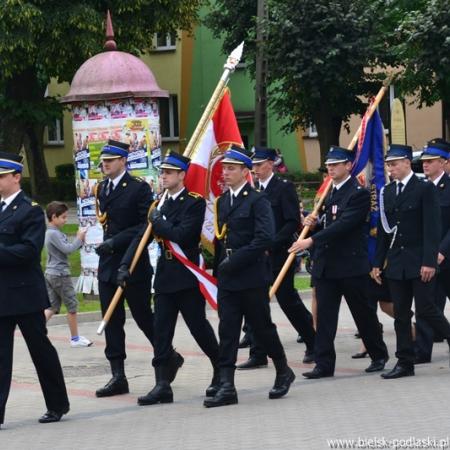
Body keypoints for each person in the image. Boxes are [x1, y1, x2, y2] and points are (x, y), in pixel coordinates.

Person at [118, 151, 220, 405]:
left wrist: (158, 220)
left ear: (181, 175)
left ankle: (221, 370)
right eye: (162, 172)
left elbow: (183, 235)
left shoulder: (193, 203)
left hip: (186, 276)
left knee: (198, 327)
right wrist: (125, 265)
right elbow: (142, 237)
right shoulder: (158, 204)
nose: (163, 177)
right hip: (165, 275)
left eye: (168, 173)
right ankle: (162, 384)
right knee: (161, 331)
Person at [204, 145, 295, 408]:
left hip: (251, 274)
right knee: (228, 330)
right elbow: (221, 239)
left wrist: (234, 261)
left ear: (246, 172)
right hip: (229, 276)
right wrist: (219, 266)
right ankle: (227, 385)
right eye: (224, 168)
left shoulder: (258, 200)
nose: (226, 173)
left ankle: (283, 370)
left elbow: (264, 238)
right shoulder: (223, 201)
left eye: (232, 168)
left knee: (262, 328)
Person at [289, 146, 389, 379]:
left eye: (336, 165)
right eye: (329, 166)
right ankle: (324, 364)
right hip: (327, 266)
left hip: (351, 265)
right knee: (324, 318)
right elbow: (327, 222)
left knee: (363, 314)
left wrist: (311, 240)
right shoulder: (328, 193)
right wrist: (313, 223)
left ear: (348, 166)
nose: (331, 169)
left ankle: (378, 354)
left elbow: (344, 225)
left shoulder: (358, 193)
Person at [94, 140, 183, 398]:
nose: (105, 164)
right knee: (111, 319)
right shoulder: (102, 188)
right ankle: (118, 375)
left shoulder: (138, 189)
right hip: (108, 264)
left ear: (123, 161)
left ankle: (168, 355)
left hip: (133, 262)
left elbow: (143, 228)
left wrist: (114, 242)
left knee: (144, 317)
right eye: (103, 161)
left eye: (110, 160)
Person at [0, 152, 70, 428]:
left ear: (17, 177)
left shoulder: (29, 209)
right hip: (3, 294)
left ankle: (57, 404)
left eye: (3, 177)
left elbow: (29, 251)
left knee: (40, 351)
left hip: (26, 293)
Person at [372, 144, 450, 379]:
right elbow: (386, 233)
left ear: (407, 162)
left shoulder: (424, 189)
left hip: (419, 261)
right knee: (402, 315)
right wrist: (377, 263)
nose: (391, 169)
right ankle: (405, 361)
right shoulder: (388, 191)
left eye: (395, 164)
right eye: (388, 165)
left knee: (426, 309)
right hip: (397, 262)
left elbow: (432, 228)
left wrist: (429, 262)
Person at [236, 147, 315, 370]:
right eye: (253, 166)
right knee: (256, 303)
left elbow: (291, 222)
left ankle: (312, 341)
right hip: (258, 257)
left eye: (260, 165)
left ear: (271, 164)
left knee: (287, 300)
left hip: (280, 254)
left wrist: (271, 244)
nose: (256, 169)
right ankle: (258, 353)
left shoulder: (283, 188)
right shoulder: (252, 190)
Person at [414, 139, 450, 363]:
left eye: (431, 161)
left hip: (447, 256)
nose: (425, 165)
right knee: (426, 304)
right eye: (424, 161)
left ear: (444, 162)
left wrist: (443, 250)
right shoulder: (420, 189)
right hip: (429, 257)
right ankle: (422, 351)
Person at [44, 201, 92, 347]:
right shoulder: (53, 233)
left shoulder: (52, 232)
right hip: (60, 275)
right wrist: (79, 238)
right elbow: (68, 249)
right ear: (54, 217)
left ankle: (35, 331)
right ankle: (75, 339)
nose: (66, 220)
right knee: (72, 306)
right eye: (63, 217)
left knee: (52, 306)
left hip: (51, 273)